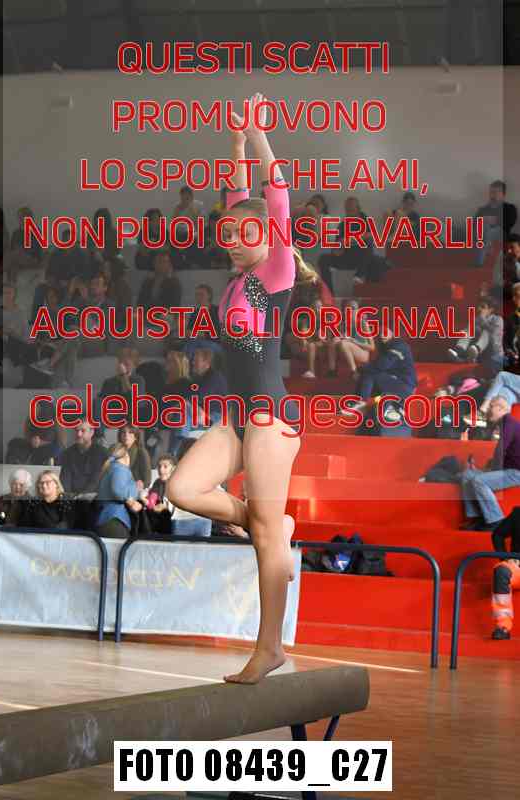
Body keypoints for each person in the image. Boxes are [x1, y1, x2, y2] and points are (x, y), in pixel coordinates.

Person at [165, 93, 302, 684]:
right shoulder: (236, 281)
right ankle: (266, 522)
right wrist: (236, 143)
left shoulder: (276, 273)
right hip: (237, 417)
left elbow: (276, 198)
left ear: (267, 236)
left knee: (265, 537)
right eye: (227, 233)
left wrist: (262, 138)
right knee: (181, 488)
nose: (231, 239)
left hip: (270, 418)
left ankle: (269, 647)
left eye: (244, 233)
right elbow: (238, 196)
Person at [460, 396, 520, 531]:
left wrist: (490, 472)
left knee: (479, 481)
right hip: (507, 469)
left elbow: (500, 450)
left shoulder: (509, 422)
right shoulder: (504, 424)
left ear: (500, 408)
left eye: (491, 406)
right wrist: (488, 469)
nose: (487, 410)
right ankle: (476, 517)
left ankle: (496, 521)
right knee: (467, 475)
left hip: (516, 472)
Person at [95, 444, 142, 538]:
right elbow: (118, 491)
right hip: (115, 519)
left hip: (105, 518)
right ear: (126, 456)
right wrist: (136, 489)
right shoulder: (120, 469)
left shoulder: (109, 468)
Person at [488, 507, 520, 640]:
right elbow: (498, 534)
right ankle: (503, 626)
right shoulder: (518, 514)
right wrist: (505, 558)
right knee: (501, 570)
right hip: (517, 567)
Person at [447, 297, 503, 371]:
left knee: (486, 332)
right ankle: (459, 350)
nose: (479, 309)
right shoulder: (476, 319)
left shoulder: (498, 319)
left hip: (493, 352)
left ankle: (476, 350)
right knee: (470, 329)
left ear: (491, 309)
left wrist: (483, 321)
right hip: (476, 352)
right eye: (479, 306)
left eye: (483, 307)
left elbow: (495, 338)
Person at [326, 299, 375, 380]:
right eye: (348, 308)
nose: (350, 310)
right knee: (334, 340)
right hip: (348, 350)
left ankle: (354, 371)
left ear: (358, 310)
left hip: (363, 353)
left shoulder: (363, 324)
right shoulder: (344, 324)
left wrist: (353, 341)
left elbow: (372, 347)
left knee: (344, 344)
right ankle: (332, 370)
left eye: (353, 308)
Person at [474, 180, 518, 267]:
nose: (493, 195)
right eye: (491, 192)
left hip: (502, 233)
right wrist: (484, 220)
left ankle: (480, 260)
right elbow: (474, 223)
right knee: (485, 228)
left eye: (496, 192)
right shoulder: (483, 209)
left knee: (487, 230)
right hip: (483, 233)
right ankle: (487, 248)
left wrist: (495, 220)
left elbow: (510, 222)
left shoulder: (509, 208)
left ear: (503, 194)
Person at [59, 421, 109, 496]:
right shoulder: (67, 453)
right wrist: (68, 496)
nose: (78, 434)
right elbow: (65, 479)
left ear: (91, 433)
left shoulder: (102, 453)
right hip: (72, 496)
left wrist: (81, 497)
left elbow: (95, 481)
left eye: (83, 431)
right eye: (77, 431)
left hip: (93, 496)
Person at [142, 454, 176, 535]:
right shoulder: (158, 482)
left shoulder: (176, 484)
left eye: (165, 466)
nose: (161, 470)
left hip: (174, 521)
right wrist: (145, 499)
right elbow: (151, 501)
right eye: (159, 466)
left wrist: (166, 507)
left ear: (173, 468)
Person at [116, 424, 152, 490]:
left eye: (130, 432)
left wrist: (139, 486)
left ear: (136, 437)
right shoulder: (115, 450)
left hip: (134, 489)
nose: (126, 435)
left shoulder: (142, 452)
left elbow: (147, 480)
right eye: (123, 432)